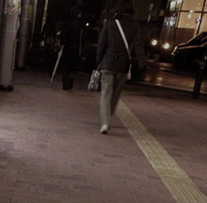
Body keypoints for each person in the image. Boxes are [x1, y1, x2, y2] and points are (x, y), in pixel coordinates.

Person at [96, 0, 145, 133]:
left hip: (108, 63)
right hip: (122, 66)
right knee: (115, 95)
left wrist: (98, 60)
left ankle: (105, 122)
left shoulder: (110, 23)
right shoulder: (134, 26)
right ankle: (108, 116)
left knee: (106, 93)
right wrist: (142, 62)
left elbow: (101, 43)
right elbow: (138, 46)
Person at [61, 6, 84, 90]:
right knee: (72, 67)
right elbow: (83, 37)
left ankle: (65, 84)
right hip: (76, 48)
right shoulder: (80, 25)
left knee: (65, 66)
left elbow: (63, 35)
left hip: (67, 47)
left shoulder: (68, 24)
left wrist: (62, 43)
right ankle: (70, 82)